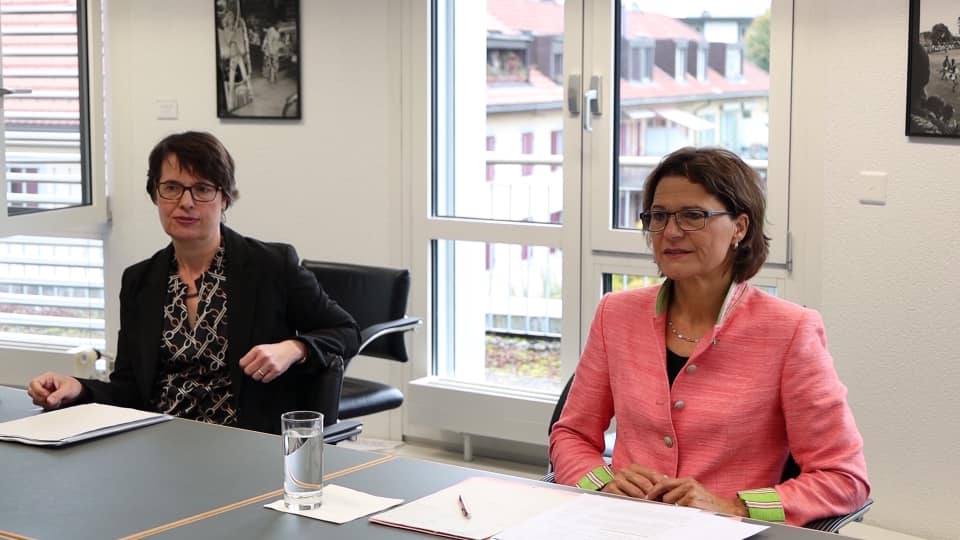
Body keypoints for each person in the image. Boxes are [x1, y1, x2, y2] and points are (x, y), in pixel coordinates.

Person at [549, 147, 869, 526]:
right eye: (659, 216)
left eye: (693, 216)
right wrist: (602, 483)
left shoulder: (790, 330)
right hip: (620, 526)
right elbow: (571, 434)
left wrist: (733, 506)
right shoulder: (616, 314)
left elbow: (844, 478)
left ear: (740, 228)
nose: (671, 232)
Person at [27, 131, 360, 435]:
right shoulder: (140, 280)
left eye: (202, 189)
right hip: (157, 439)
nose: (185, 202)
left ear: (225, 198)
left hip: (245, 442)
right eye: (172, 188)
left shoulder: (271, 265)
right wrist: (79, 388)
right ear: (155, 195)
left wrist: (295, 348)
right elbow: (129, 389)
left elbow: (346, 332)